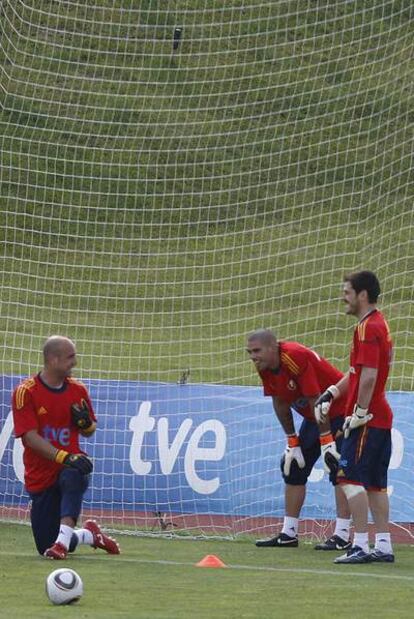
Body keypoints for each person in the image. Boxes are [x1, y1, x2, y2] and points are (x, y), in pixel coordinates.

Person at [12, 335, 120, 560]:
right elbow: (30, 438)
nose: (75, 362)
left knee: (75, 473)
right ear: (53, 359)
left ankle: (60, 545)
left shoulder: (78, 389)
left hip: (68, 468)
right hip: (41, 477)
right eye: (71, 357)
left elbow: (90, 430)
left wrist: (86, 424)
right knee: (45, 546)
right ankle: (89, 535)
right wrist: (64, 457)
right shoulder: (26, 391)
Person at [315, 271, 394, 564]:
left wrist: (359, 413)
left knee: (347, 477)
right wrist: (333, 392)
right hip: (379, 415)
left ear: (362, 295)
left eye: (347, 292)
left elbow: (370, 376)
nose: (343, 297)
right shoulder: (377, 324)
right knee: (374, 483)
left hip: (368, 417)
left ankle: (360, 544)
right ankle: (383, 545)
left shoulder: (367, 328)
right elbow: (357, 373)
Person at [246, 329, 351, 550]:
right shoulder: (264, 365)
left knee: (339, 471)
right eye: (250, 352)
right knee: (292, 467)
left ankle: (342, 535)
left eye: (256, 351)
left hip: (339, 410)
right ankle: (289, 533)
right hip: (316, 417)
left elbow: (316, 400)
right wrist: (292, 441)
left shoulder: (294, 357)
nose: (253, 356)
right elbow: (279, 402)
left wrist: (326, 441)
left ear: (273, 347)